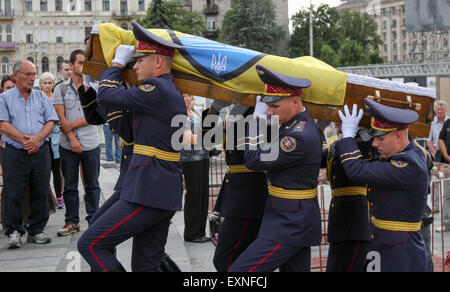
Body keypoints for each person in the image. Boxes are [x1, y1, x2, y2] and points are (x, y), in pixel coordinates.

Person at [77, 21, 186, 272]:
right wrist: (92, 85)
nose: (134, 65)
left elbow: (108, 96)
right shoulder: (161, 91)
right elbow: (122, 123)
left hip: (150, 190)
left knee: (91, 245)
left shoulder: (157, 88)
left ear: (157, 62)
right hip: (154, 189)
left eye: (139, 60)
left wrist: (115, 65)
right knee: (146, 265)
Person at [229, 65, 322, 272]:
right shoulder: (293, 126)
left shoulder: (296, 136)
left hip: (290, 223)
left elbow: (253, 160)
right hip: (290, 218)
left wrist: (258, 121)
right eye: (267, 106)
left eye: (275, 106)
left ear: (295, 102)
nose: (270, 111)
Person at [336, 99, 431, 272]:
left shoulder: (407, 165)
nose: (374, 144)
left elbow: (357, 170)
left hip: (400, 250)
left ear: (398, 136)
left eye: (380, 139)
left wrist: (348, 136)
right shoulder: (406, 152)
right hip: (382, 243)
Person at [0, 60, 58, 248]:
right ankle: (14, 230)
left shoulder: (41, 97)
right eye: (28, 74)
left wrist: (37, 139)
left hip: (40, 151)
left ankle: (36, 230)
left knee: (40, 189)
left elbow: (51, 121)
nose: (32, 78)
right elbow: (3, 124)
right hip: (16, 152)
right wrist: (27, 141)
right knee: (13, 191)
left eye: (34, 74)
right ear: (16, 75)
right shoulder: (4, 98)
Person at [210, 100, 269, 272]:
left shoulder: (259, 111)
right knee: (234, 259)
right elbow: (208, 139)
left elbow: (261, 154)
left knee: (225, 260)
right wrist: (214, 109)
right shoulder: (238, 110)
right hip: (235, 190)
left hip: (248, 195)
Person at [54, 49, 101, 236]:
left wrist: (71, 126)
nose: (83, 66)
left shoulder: (95, 87)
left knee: (92, 184)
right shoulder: (61, 88)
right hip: (67, 145)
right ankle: (71, 221)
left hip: (90, 142)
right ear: (71, 65)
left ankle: (94, 219)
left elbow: (94, 116)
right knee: (70, 185)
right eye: (80, 63)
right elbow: (60, 117)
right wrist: (72, 138)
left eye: (85, 63)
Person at [324, 129, 375, 272]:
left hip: (356, 226)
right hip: (342, 224)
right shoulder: (337, 144)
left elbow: (356, 167)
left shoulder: (368, 143)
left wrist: (263, 123)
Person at [180, 93, 211, 243]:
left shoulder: (197, 113)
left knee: (204, 194)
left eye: (189, 96)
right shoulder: (180, 115)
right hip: (190, 159)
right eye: (183, 96)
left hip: (203, 157)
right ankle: (191, 232)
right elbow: (189, 139)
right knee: (194, 194)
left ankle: (200, 231)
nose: (187, 98)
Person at [40, 72, 64, 209]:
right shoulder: (38, 97)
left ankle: (59, 196)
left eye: (50, 83)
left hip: (56, 136)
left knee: (56, 168)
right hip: (43, 136)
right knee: (43, 170)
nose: (48, 85)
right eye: (45, 83)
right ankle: (46, 198)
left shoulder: (57, 97)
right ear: (41, 84)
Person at [0, 74, 16, 227]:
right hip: (4, 148)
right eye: (7, 88)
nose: (10, 90)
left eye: (12, 87)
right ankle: (7, 219)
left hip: (17, 147)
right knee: (8, 184)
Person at [436, 116, 450, 232]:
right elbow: (440, 139)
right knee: (447, 196)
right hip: (448, 164)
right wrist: (446, 156)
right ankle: (447, 224)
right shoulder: (448, 122)